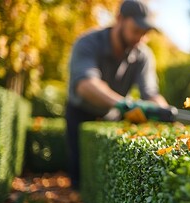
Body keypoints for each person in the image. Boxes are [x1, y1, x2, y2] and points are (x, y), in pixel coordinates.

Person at [65, 0, 168, 189]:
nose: (140, 37)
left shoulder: (143, 55)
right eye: (136, 29)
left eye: (145, 33)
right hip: (80, 112)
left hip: (111, 116)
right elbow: (85, 85)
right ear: (119, 19)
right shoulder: (87, 43)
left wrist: (164, 110)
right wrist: (124, 103)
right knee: (78, 173)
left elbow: (151, 92)